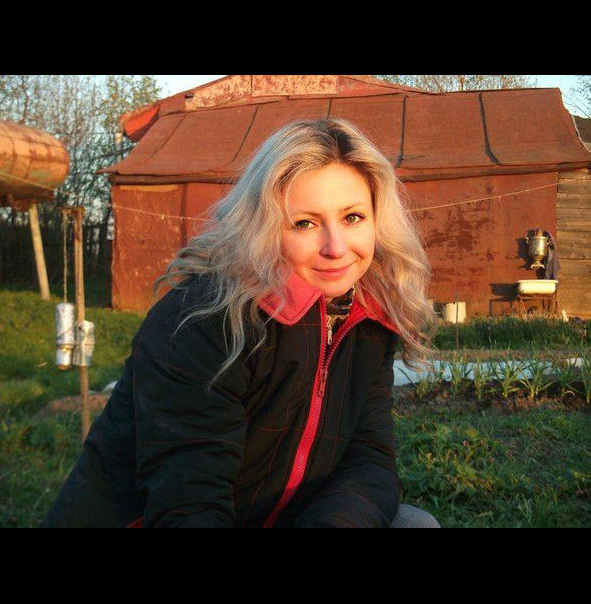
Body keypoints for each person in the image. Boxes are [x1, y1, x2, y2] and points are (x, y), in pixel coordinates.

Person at [40, 118, 440, 528]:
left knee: (414, 524)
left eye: (353, 217)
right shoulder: (204, 320)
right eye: (305, 223)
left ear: (378, 220)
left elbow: (369, 461)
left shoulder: (367, 319)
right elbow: (188, 504)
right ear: (263, 227)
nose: (336, 248)